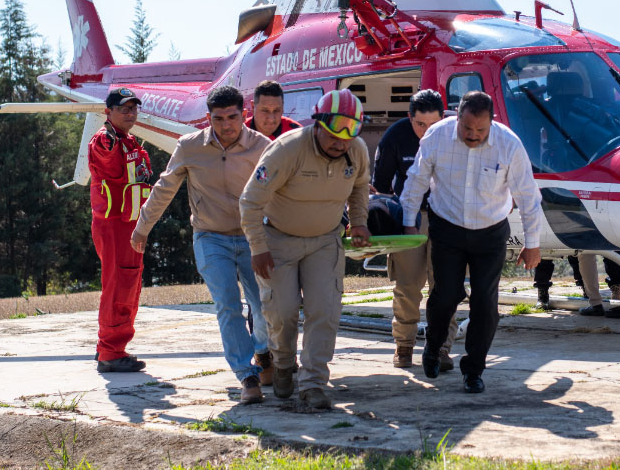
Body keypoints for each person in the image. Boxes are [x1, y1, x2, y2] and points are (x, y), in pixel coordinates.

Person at [131, 86, 271, 404]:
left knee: (264, 307)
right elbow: (164, 187)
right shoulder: (190, 146)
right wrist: (142, 228)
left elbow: (281, 190)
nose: (226, 125)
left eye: (233, 117)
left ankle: (263, 350)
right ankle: (247, 375)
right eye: (218, 119)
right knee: (228, 305)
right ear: (208, 118)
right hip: (210, 238)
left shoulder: (262, 147)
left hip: (253, 238)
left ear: (244, 114)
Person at [400, 90, 544, 394]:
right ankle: (433, 345)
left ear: (491, 122)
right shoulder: (437, 137)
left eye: (480, 130)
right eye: (467, 129)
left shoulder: (509, 145)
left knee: (485, 303)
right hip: (447, 226)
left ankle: (474, 369)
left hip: (490, 231)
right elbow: (416, 180)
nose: (473, 135)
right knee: (446, 294)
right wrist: (408, 223)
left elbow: (528, 197)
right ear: (457, 117)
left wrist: (532, 243)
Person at [239, 88, 372, 410]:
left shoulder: (356, 151)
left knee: (324, 313)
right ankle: (283, 363)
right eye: (334, 130)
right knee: (282, 313)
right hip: (278, 242)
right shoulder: (287, 149)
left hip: (326, 242)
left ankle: (313, 384)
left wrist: (359, 222)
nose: (341, 140)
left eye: (350, 131)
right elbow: (249, 202)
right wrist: (258, 248)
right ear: (318, 123)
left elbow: (359, 189)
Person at [372, 89, 457, 370]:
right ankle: (404, 345)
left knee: (444, 287)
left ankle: (441, 348)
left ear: (443, 118)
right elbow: (380, 187)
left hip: (446, 218)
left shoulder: (458, 135)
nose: (426, 131)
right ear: (410, 118)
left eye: (433, 125)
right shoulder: (395, 137)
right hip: (409, 219)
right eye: (420, 124)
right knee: (408, 287)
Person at [89, 87, 153, 373]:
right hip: (114, 225)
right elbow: (107, 160)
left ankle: (109, 347)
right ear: (109, 112)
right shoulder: (106, 141)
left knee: (129, 284)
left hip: (131, 225)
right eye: (124, 108)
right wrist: (111, 142)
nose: (130, 113)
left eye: (133, 108)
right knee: (118, 286)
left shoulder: (130, 142)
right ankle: (111, 353)